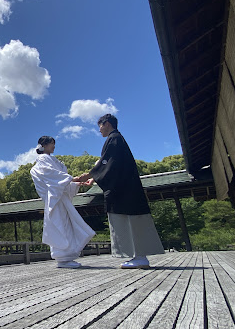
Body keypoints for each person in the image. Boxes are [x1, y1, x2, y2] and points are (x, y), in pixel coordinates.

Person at [74, 114, 164, 269]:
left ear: (107, 124)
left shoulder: (114, 139)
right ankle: (139, 256)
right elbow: (109, 164)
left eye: (100, 126)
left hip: (124, 191)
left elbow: (106, 163)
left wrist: (88, 175)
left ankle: (140, 257)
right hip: (127, 188)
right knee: (133, 221)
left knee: (130, 220)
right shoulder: (117, 139)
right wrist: (94, 178)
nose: (100, 130)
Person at [30, 136, 96, 268]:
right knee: (61, 225)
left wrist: (78, 182)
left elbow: (60, 179)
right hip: (55, 198)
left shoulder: (52, 160)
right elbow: (53, 176)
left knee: (65, 225)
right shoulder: (43, 160)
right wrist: (74, 179)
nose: (54, 146)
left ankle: (66, 257)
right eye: (51, 144)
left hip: (59, 197)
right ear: (44, 145)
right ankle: (63, 258)